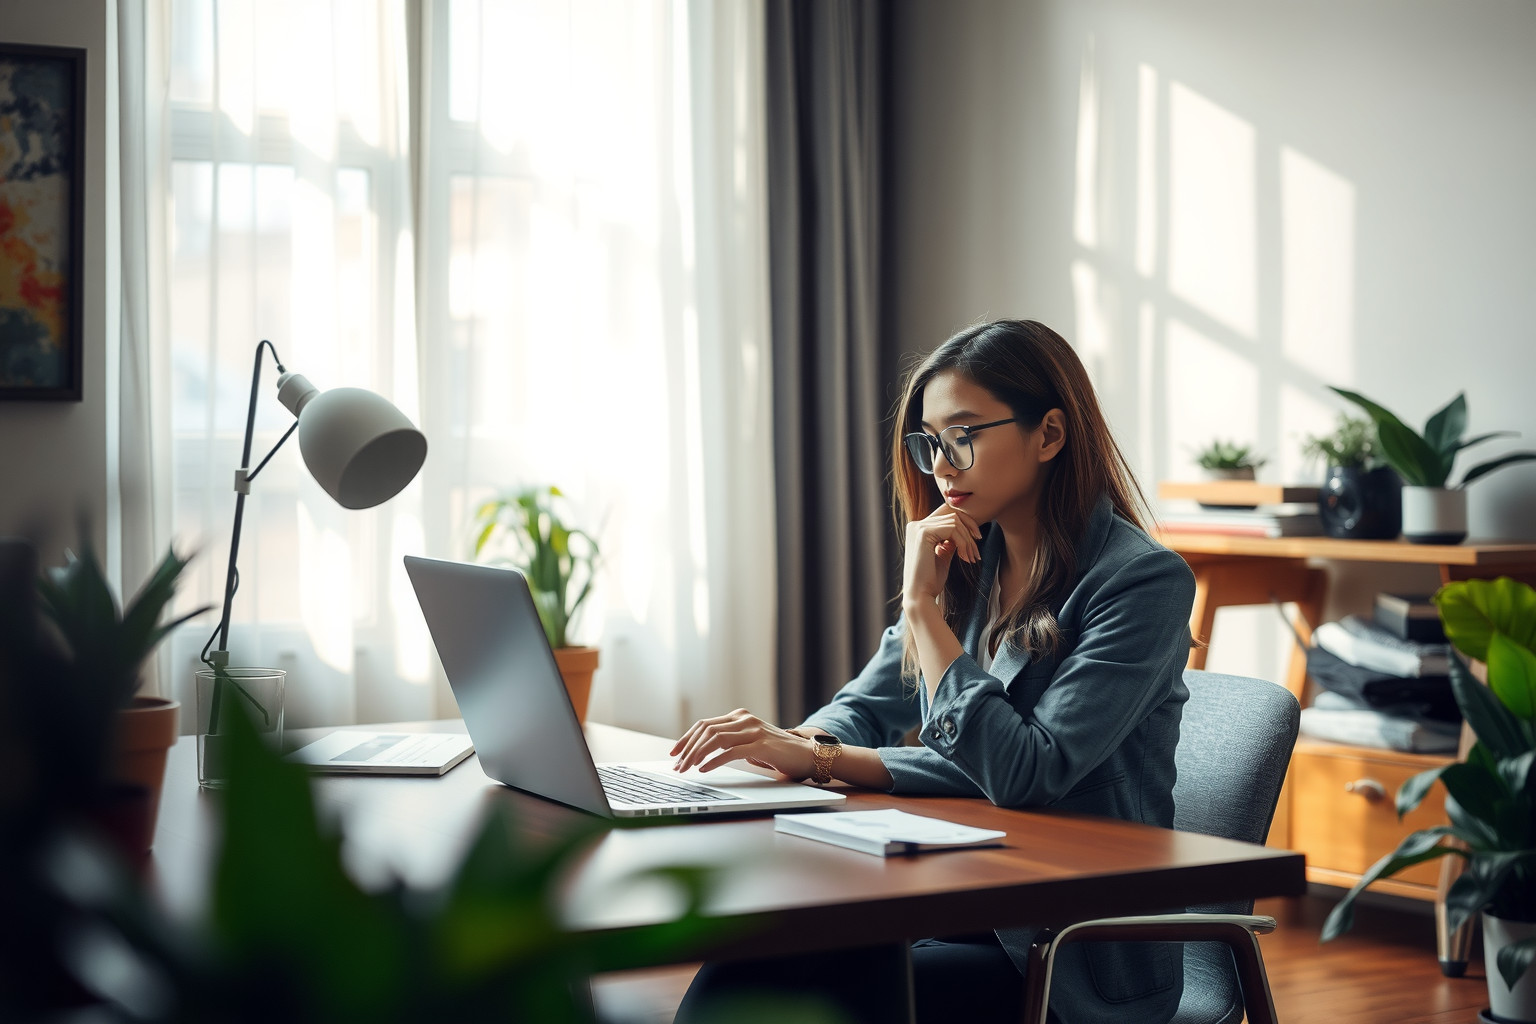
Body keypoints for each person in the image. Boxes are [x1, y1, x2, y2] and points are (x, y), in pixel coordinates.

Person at [670, 319, 1196, 1024]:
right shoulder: (971, 562)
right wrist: (795, 745)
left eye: (964, 435)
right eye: (929, 441)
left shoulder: (1140, 582)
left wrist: (918, 610)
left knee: (828, 996)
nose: (941, 465)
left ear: (1049, 434)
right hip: (960, 893)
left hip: (1067, 948)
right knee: (751, 961)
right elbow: (864, 706)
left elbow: (1026, 769)